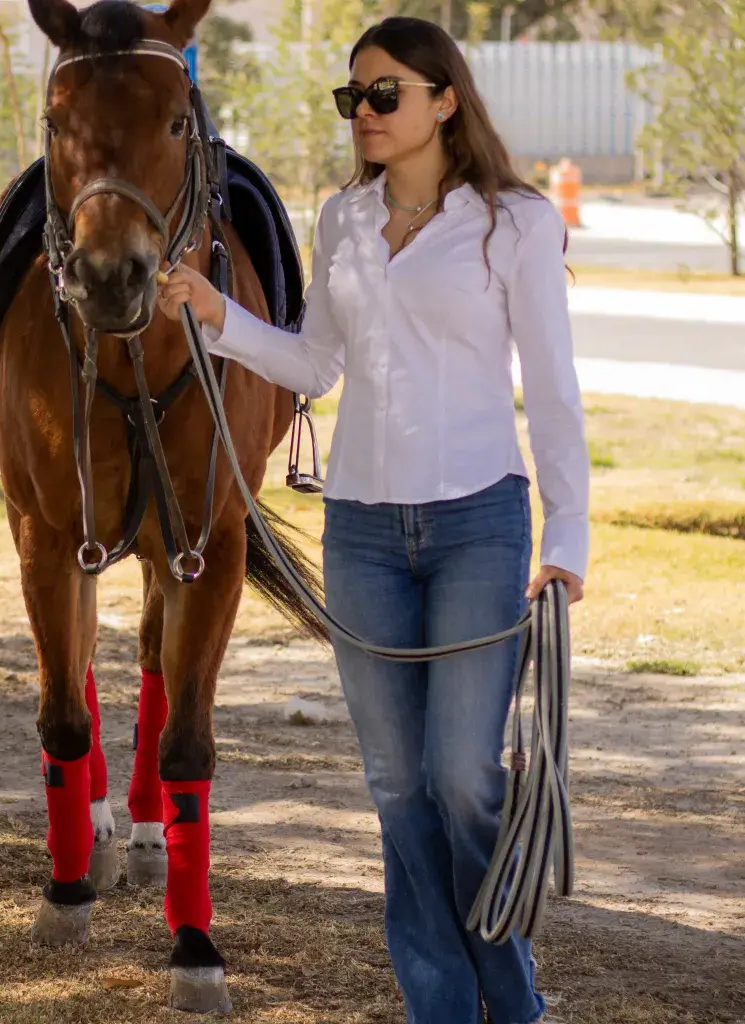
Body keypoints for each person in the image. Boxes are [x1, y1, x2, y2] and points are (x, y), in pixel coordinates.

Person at [158, 15, 588, 1024]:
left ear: (445, 98)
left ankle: (509, 993)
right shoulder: (341, 220)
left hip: (479, 522)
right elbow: (317, 365)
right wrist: (221, 319)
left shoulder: (514, 224)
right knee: (398, 786)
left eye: (385, 94)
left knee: (463, 778)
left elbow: (556, 391)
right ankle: (439, 1004)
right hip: (361, 531)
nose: (366, 114)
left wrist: (567, 537)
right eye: (354, 99)